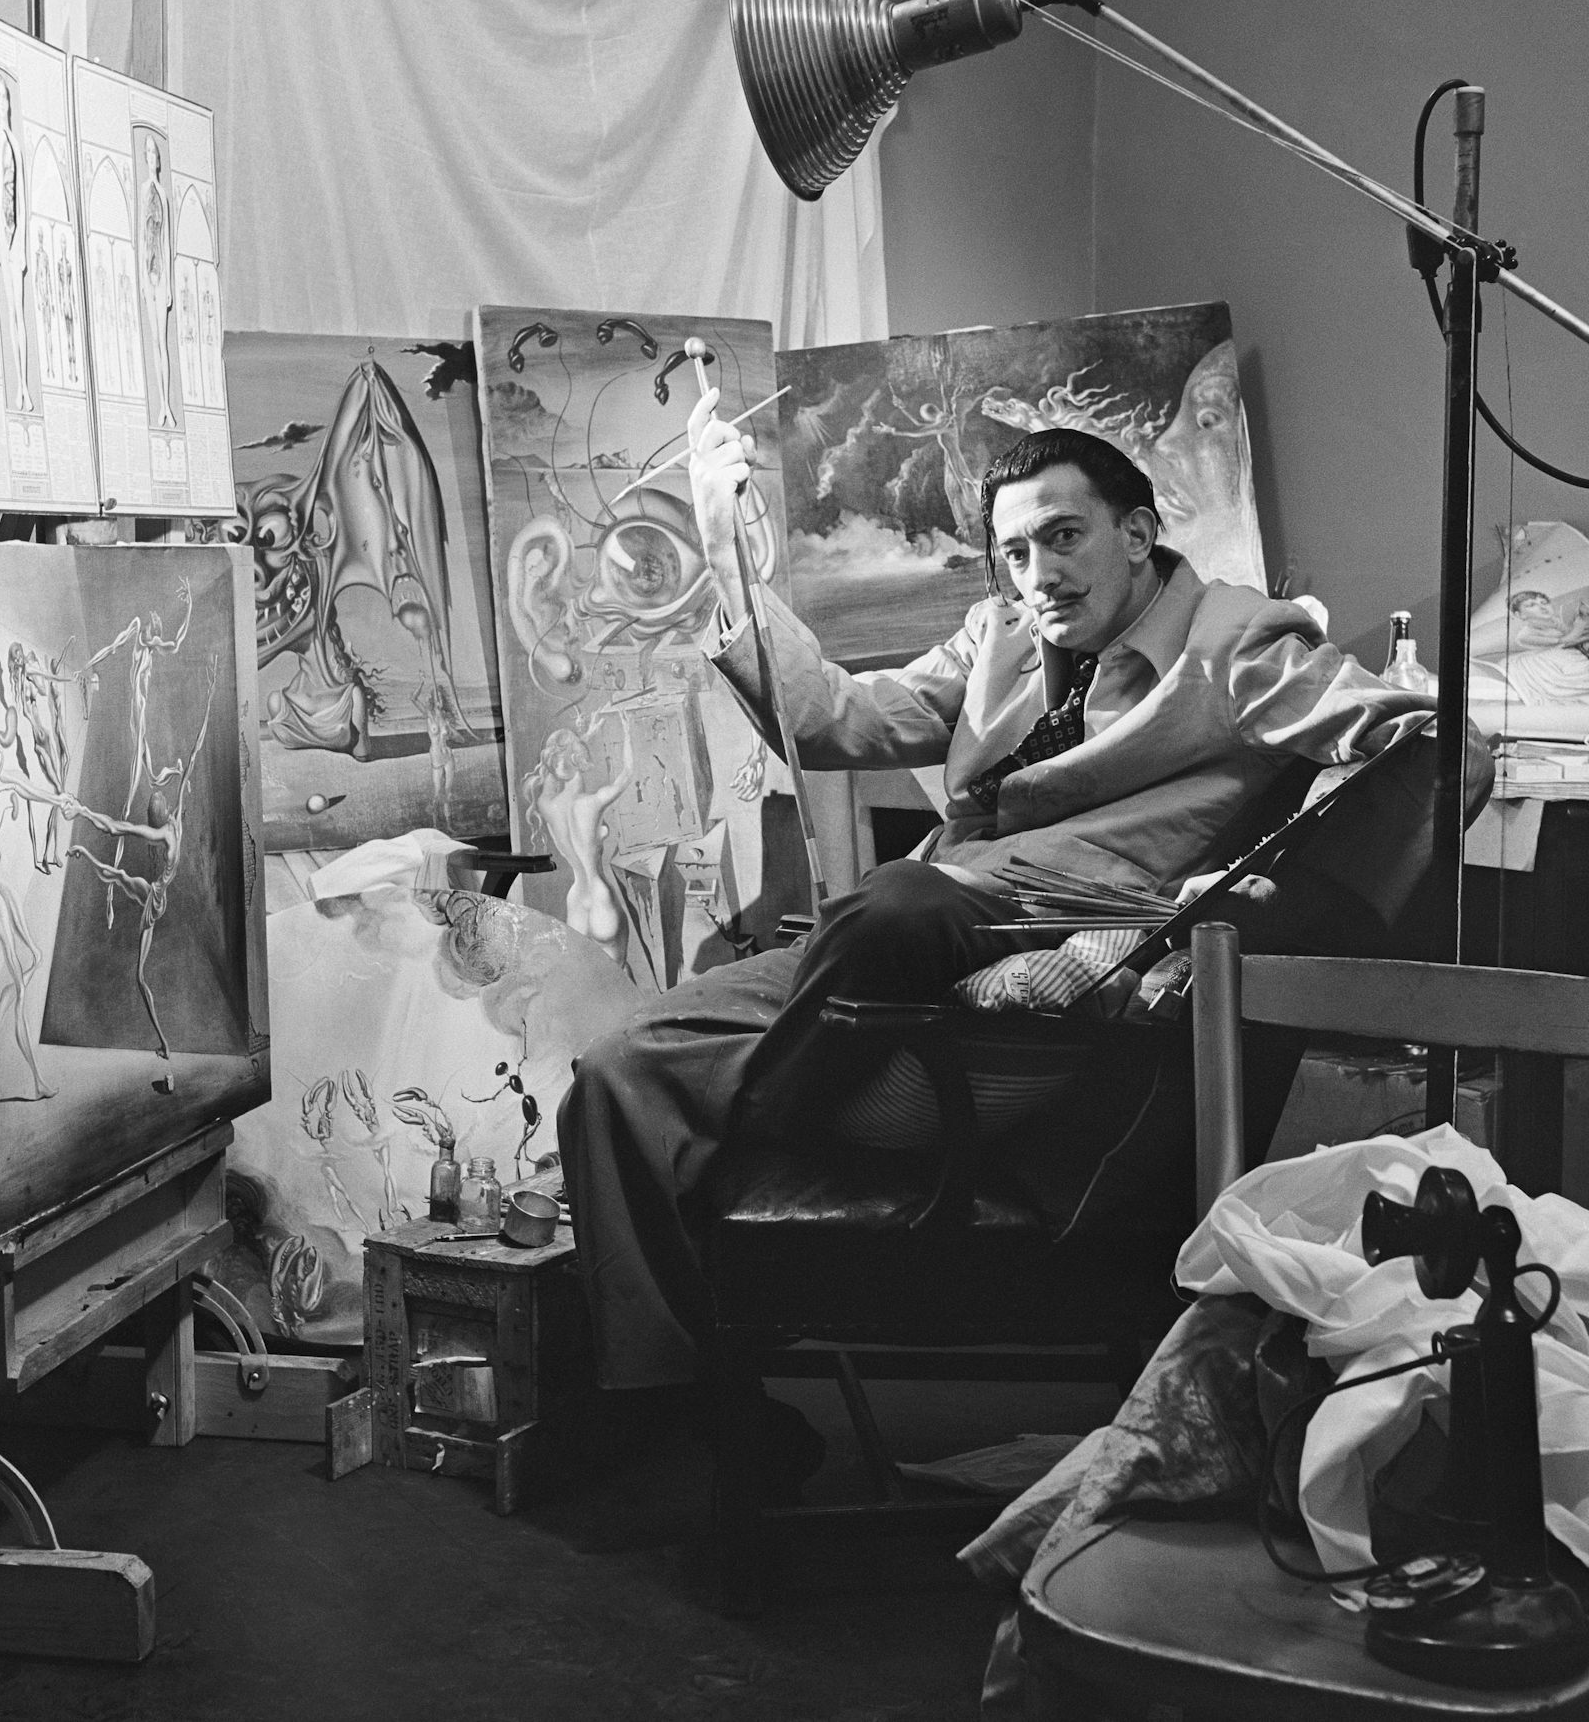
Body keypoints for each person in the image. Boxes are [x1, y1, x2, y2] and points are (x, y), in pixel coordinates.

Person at [559, 387, 1462, 1398]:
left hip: (1058, 918)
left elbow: (1436, 744)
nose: (1040, 575)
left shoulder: (1238, 643)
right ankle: (682, 1407)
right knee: (617, 1070)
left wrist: (1285, 899)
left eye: (1064, 537)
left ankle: (767, 1117)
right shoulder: (999, 634)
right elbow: (838, 721)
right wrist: (729, 558)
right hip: (910, 926)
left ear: (1137, 534)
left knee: (897, 901)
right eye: (1017, 552)